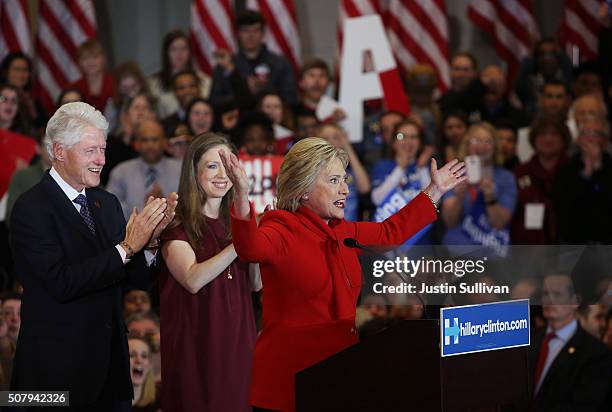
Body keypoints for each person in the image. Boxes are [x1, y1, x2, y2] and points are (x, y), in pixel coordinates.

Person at [219, 137, 465, 411]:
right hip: (289, 382)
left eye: (344, 180)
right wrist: (241, 194)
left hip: (340, 373)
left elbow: (390, 233)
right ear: (304, 189)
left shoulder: (344, 231)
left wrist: (435, 190)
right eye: (334, 181)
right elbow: (250, 248)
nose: (345, 190)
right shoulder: (281, 228)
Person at [9, 102, 178, 410]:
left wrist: (150, 244)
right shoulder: (30, 209)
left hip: (111, 374)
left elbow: (132, 279)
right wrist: (128, 247)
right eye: (91, 151)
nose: (101, 160)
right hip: (55, 379)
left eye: (102, 149)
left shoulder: (107, 203)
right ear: (59, 151)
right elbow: (61, 283)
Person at [160, 133, 259, 411]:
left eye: (228, 166)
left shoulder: (237, 222)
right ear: (194, 170)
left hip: (238, 346)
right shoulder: (176, 224)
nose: (222, 174)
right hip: (196, 348)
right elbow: (192, 279)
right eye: (212, 165)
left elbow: (255, 284)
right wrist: (243, 241)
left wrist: (255, 236)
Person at [530, 273, 612, 411]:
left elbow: (585, 403)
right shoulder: (529, 340)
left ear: (575, 301)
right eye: (545, 294)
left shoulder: (596, 353)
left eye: (557, 294)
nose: (549, 300)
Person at [441, 122, 517, 257]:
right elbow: (449, 222)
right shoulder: (454, 175)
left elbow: (499, 223)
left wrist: (490, 198)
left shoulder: (506, 178)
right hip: (456, 251)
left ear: (495, 147)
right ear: (467, 145)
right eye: (476, 140)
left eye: (487, 141)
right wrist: (459, 197)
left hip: (491, 252)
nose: (482, 145)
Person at [211, 10, 297, 107]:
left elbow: (291, 99)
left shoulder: (280, 63)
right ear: (238, 34)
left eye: (255, 30)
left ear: (263, 33)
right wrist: (244, 90)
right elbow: (214, 102)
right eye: (245, 31)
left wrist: (263, 90)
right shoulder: (225, 66)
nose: (250, 36)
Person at [107, 119, 181, 220]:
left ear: (164, 143)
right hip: (129, 233)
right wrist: (143, 211)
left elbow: (192, 207)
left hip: (174, 233)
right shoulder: (120, 172)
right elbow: (109, 210)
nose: (150, 145)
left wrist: (167, 207)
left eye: (154, 140)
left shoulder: (180, 170)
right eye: (144, 140)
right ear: (136, 144)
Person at [512, 116, 570, 244]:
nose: (548, 139)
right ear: (534, 139)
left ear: (564, 139)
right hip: (528, 247)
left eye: (554, 134)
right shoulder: (520, 172)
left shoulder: (574, 171)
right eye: (542, 134)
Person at [553, 117, 612, 243]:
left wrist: (597, 170)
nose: (591, 138)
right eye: (586, 133)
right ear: (578, 139)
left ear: (606, 140)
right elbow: (565, 209)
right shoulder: (565, 169)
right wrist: (586, 173)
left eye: (596, 134)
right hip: (574, 243)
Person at [148, 29, 211, 119]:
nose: (179, 53)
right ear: (166, 53)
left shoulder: (204, 81)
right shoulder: (153, 83)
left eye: (184, 48)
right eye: (174, 49)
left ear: (189, 52)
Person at [318, 123, 370, 221]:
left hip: (350, 230)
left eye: (336, 137)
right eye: (326, 138)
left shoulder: (349, 171)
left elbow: (365, 188)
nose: (331, 141)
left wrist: (347, 146)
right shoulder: (314, 173)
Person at [69, 39, 116, 115]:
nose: (90, 62)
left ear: (103, 59)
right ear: (80, 62)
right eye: (85, 58)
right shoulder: (73, 89)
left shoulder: (115, 83)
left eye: (95, 57)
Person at [128, 335, 159, 412]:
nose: (139, 360)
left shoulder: (159, 403)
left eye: (144, 356)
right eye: (131, 355)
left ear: (149, 365)